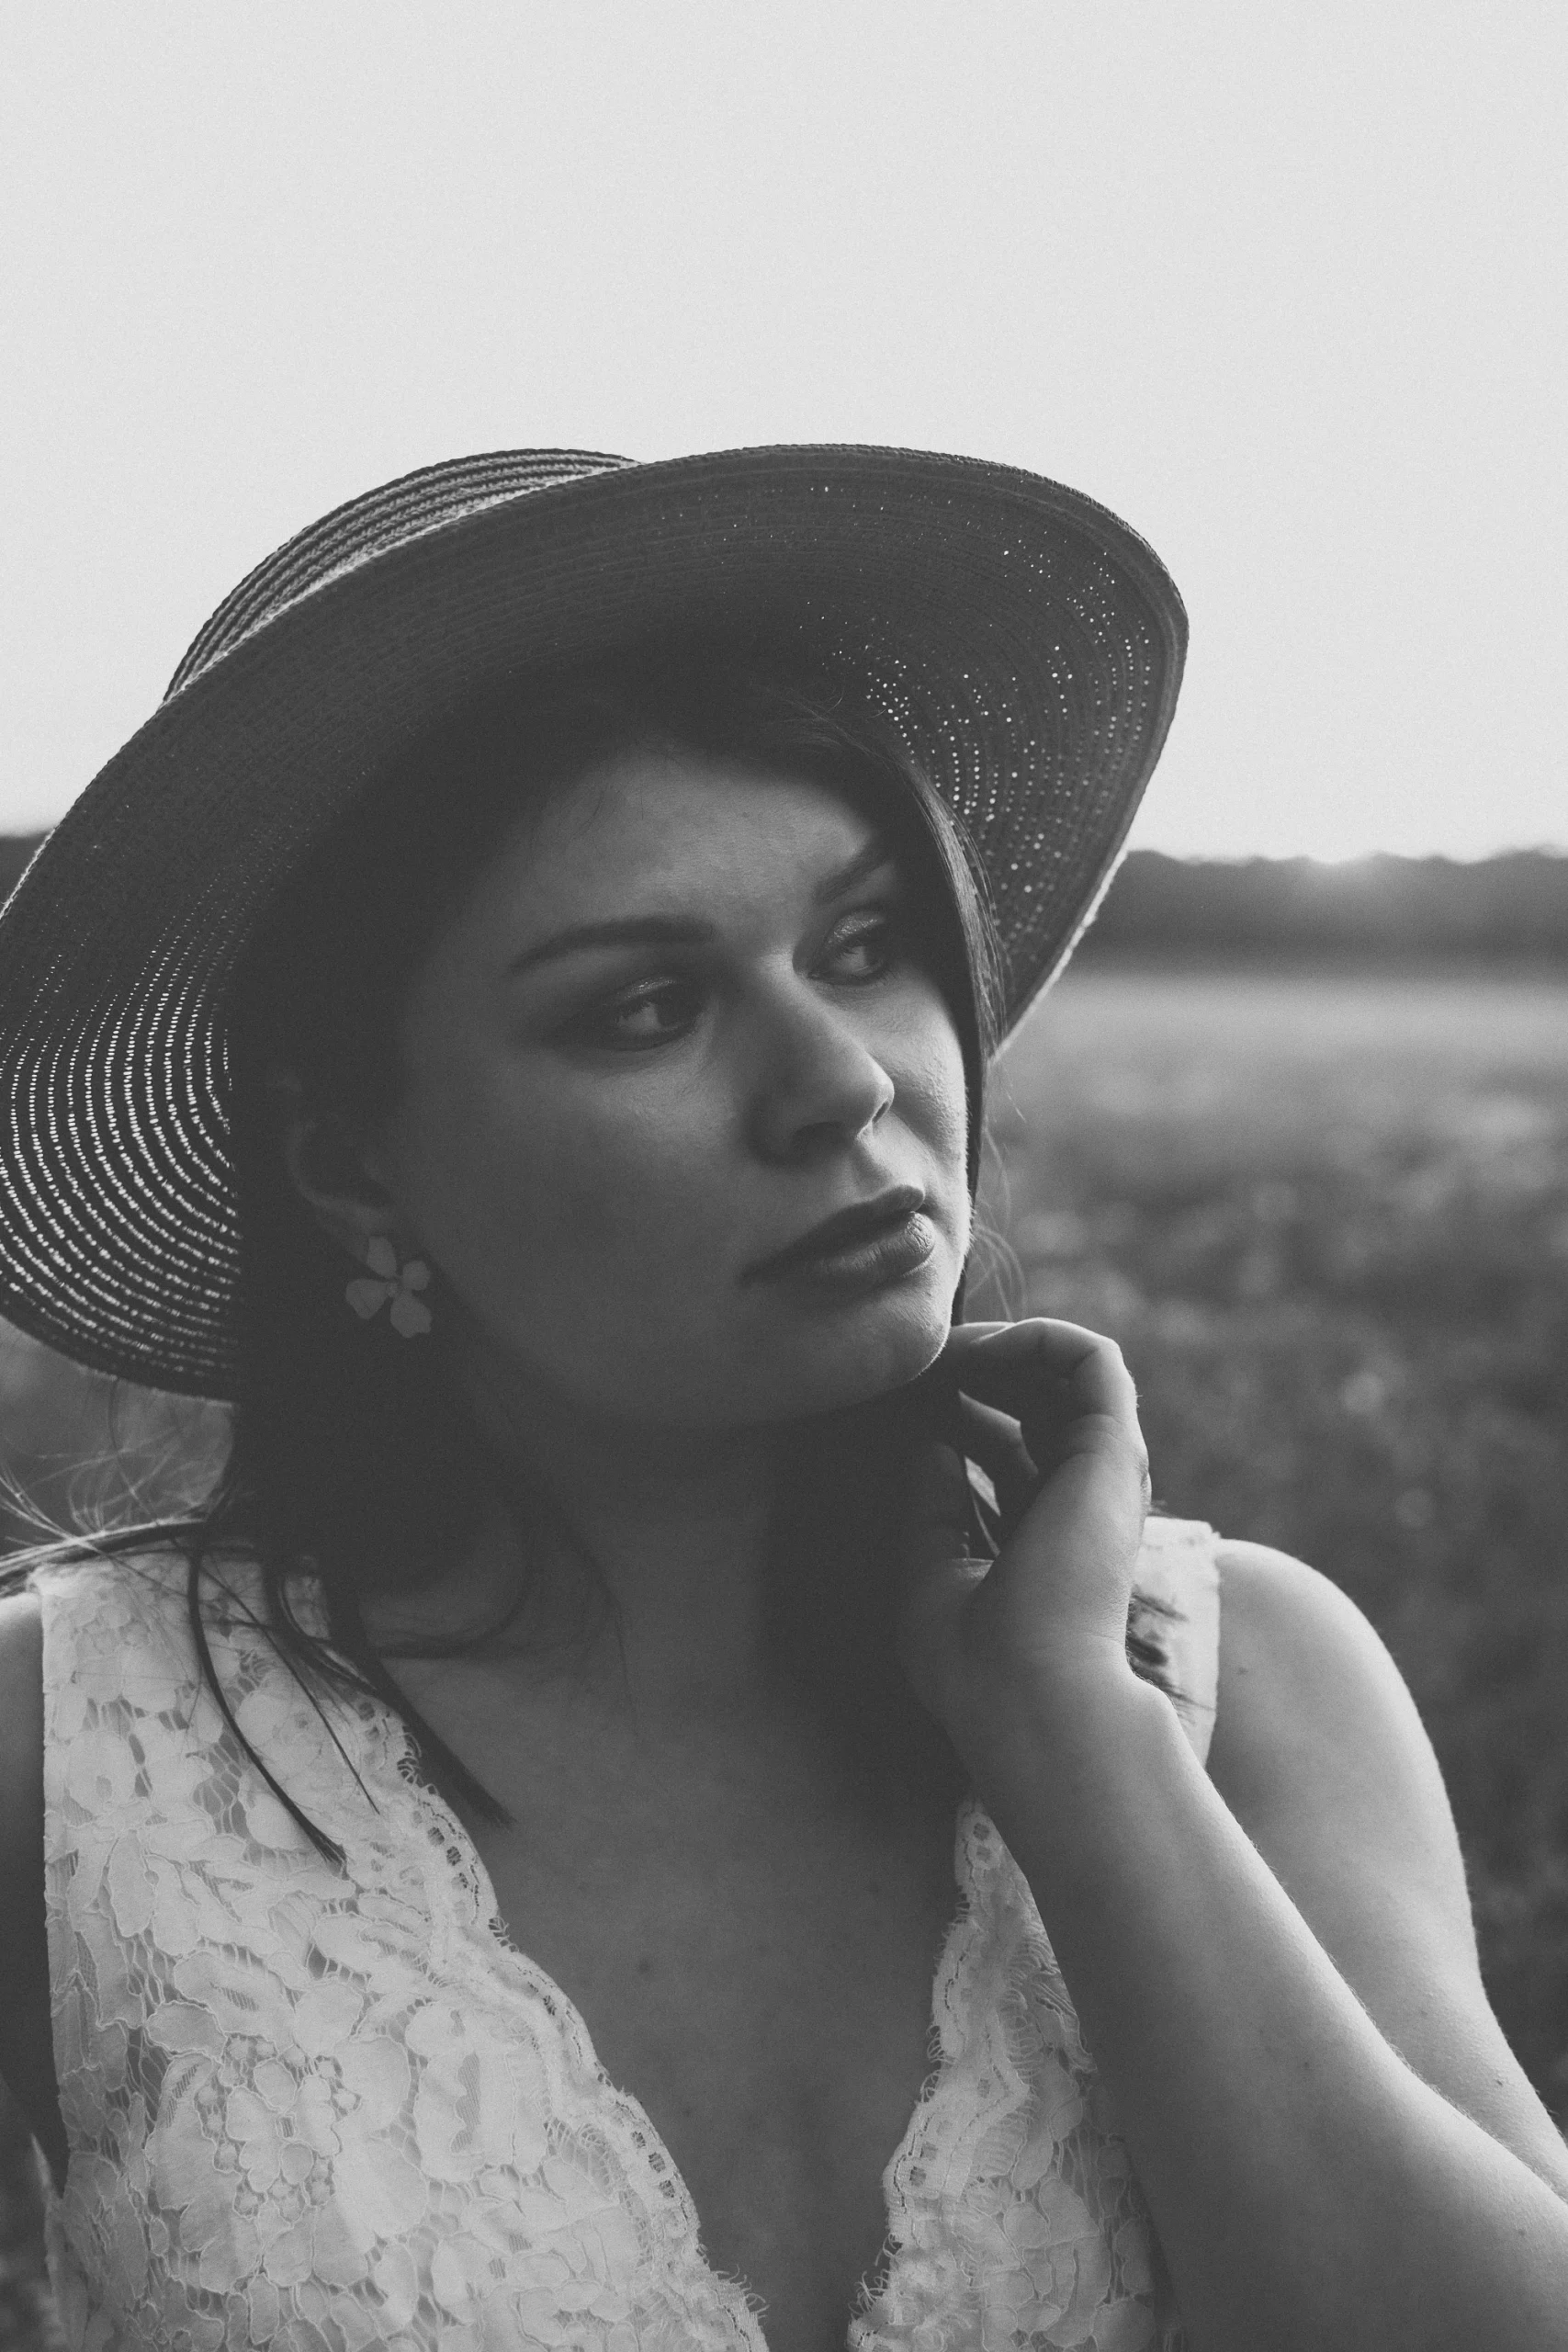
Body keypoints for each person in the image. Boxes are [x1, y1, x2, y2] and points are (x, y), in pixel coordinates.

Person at [0, 445, 1562, 2352]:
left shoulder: (1251, 1686)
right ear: (352, 1167)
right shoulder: (66, 1753)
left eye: (864, 946)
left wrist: (1075, 1739)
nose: (842, 1081)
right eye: (641, 1007)